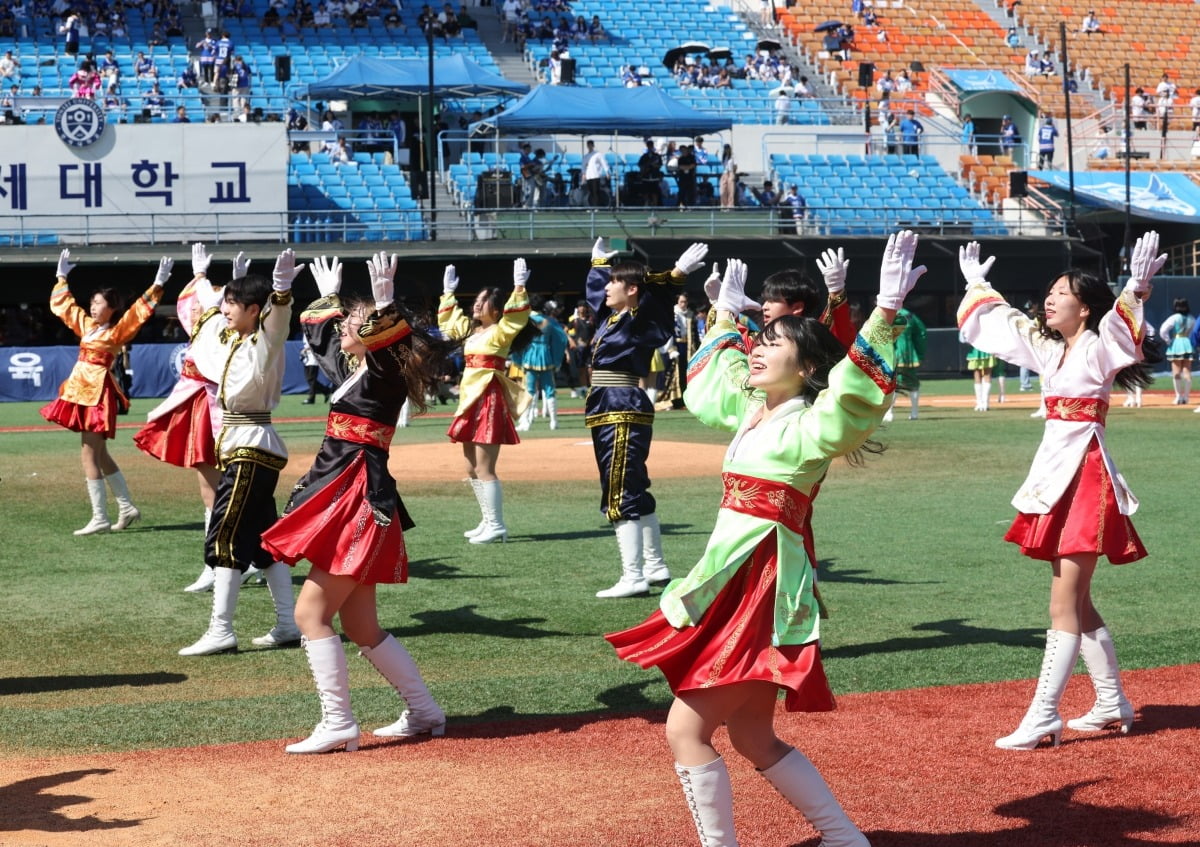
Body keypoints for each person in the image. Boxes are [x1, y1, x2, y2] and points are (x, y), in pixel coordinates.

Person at [606, 232, 925, 847]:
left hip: (760, 587)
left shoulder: (810, 424)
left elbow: (853, 399)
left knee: (685, 731)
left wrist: (883, 311)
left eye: (772, 342)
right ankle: (843, 838)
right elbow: (710, 385)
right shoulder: (755, 413)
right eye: (759, 339)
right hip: (743, 584)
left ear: (806, 367)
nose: (758, 348)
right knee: (753, 736)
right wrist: (725, 314)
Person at [956, 234, 1166, 750]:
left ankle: (1044, 714)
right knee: (1077, 600)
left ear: (1085, 306)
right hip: (1058, 478)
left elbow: (1121, 330)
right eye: (1049, 291)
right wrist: (978, 284)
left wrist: (1136, 289)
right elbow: (1005, 326)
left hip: (1084, 479)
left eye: (1062, 292)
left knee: (1062, 604)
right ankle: (1112, 702)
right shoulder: (1052, 348)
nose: (1049, 299)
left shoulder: (1096, 345)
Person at [260, 253, 449, 754]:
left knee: (309, 615)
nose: (345, 325)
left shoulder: (384, 371)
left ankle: (338, 721)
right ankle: (425, 712)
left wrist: (384, 303)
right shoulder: (360, 369)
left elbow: (389, 345)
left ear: (376, 336)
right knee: (361, 625)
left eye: (355, 323)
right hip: (352, 501)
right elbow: (326, 348)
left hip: (358, 501)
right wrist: (324, 302)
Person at [178, 247, 307, 656]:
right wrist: (203, 278)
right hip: (247, 448)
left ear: (256, 309)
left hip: (251, 448)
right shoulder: (238, 341)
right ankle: (288, 623)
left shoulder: (266, 340)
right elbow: (209, 325)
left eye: (234, 303)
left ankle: (221, 629)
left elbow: (279, 322)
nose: (226, 308)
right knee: (262, 540)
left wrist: (281, 291)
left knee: (226, 535)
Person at [584, 239, 709, 597]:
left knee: (620, 488)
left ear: (633, 289)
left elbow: (657, 300)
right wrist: (600, 262)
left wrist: (677, 274)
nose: (607, 286)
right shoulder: (613, 318)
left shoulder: (641, 319)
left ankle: (633, 576)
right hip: (610, 404)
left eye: (614, 281)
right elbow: (597, 294)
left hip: (621, 404)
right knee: (635, 484)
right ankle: (655, 567)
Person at [133, 249, 253, 593]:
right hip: (203, 411)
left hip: (224, 413)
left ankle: (231, 560)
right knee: (213, 488)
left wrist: (223, 282)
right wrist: (200, 278)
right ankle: (219, 560)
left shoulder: (223, 330)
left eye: (210, 301)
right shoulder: (202, 330)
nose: (197, 306)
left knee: (232, 490)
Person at [41, 250, 170, 535]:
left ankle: (100, 517)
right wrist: (61, 277)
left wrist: (157, 284)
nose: (93, 307)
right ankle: (125, 507)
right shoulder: (87, 326)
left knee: (89, 456)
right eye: (93, 303)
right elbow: (66, 307)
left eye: (99, 303)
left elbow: (138, 313)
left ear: (112, 307)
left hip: (96, 397)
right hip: (81, 394)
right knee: (100, 456)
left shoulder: (116, 333)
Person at [438, 260, 534, 544]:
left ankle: (497, 524)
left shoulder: (501, 331)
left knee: (484, 468)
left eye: (483, 301)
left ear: (496, 308)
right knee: (471, 467)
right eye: (476, 301)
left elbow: (517, 317)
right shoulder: (472, 330)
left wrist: (519, 286)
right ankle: (488, 520)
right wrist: (447, 293)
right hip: (470, 400)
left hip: (487, 399)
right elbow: (449, 322)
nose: (476, 305)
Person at [514, 295, 569, 430]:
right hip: (546, 356)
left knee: (530, 389)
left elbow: (517, 340)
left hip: (530, 356)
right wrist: (556, 359)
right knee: (549, 389)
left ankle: (526, 422)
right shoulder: (549, 321)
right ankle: (553, 421)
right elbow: (561, 338)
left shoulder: (526, 321)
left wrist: (517, 357)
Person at [1159, 298, 1195, 404]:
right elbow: (1193, 332)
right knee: (1187, 371)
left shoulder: (1173, 318)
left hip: (1176, 343)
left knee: (1176, 371)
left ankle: (1178, 397)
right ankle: (1186, 397)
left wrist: (1168, 340)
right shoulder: (1191, 318)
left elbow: (1163, 330)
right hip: (1187, 343)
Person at [582, 139, 610, 208]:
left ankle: (596, 207)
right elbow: (583, 166)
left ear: (593, 146)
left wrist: (607, 172)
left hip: (596, 175)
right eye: (588, 145)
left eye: (590, 145)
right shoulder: (586, 156)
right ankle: (591, 207)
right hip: (589, 176)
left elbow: (604, 163)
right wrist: (583, 174)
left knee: (595, 192)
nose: (589, 146)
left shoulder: (598, 154)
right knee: (590, 192)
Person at [719, 143, 737, 209]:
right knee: (723, 190)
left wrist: (733, 174)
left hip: (731, 172)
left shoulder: (733, 156)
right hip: (725, 173)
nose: (726, 150)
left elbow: (735, 165)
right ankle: (723, 205)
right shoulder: (724, 156)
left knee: (731, 190)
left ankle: (730, 205)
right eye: (725, 148)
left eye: (727, 148)